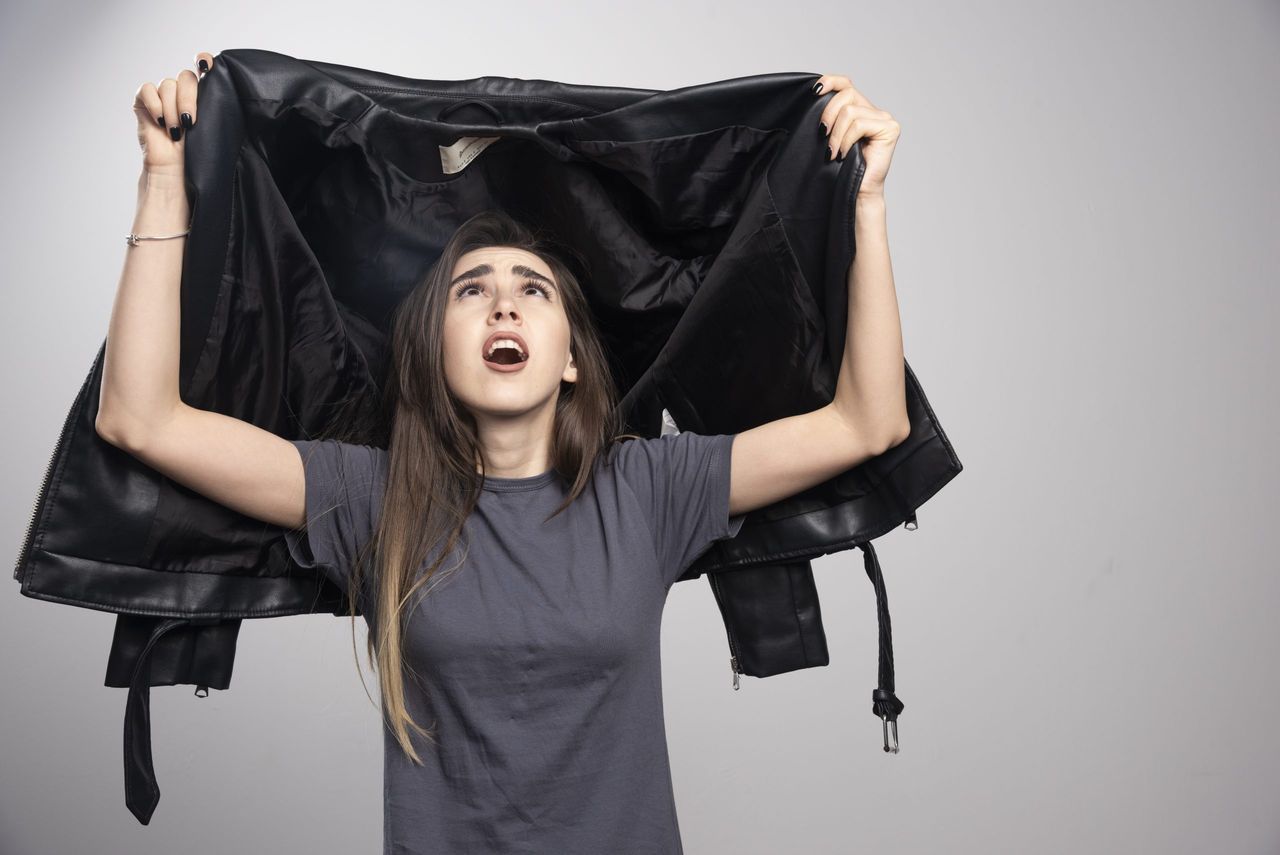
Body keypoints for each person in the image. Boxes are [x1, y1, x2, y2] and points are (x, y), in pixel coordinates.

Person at [98, 50, 910, 854]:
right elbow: (142, 419)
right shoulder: (375, 498)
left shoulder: (652, 487)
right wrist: (164, 176)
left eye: (533, 289)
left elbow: (868, 424)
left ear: (570, 357)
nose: (503, 308)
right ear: (433, 349)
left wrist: (864, 204)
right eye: (471, 290)